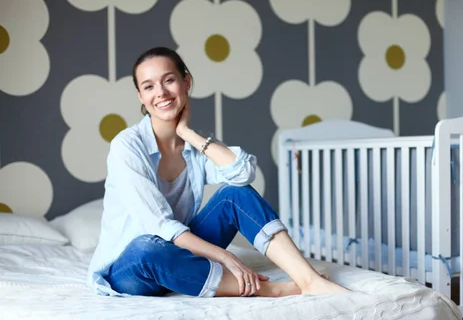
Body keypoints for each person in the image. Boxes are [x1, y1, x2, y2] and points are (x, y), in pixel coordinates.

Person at [87, 47, 349, 299]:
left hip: (177, 255)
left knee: (235, 194)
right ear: (140, 96)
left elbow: (243, 173)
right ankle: (275, 290)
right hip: (132, 268)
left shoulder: (196, 145)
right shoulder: (127, 145)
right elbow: (160, 225)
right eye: (149, 86)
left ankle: (308, 279)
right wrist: (225, 256)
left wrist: (189, 134)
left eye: (169, 80)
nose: (161, 93)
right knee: (148, 246)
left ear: (186, 82)